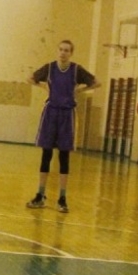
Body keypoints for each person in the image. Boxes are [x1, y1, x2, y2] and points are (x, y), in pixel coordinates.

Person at [26, 40, 100, 213]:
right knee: (46, 154)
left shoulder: (76, 70)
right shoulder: (50, 68)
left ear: (71, 53)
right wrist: (43, 87)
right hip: (50, 112)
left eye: (66, 50)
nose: (63, 53)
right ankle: (40, 194)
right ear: (57, 51)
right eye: (60, 49)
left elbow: (97, 82)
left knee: (64, 156)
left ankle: (62, 198)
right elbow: (29, 78)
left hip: (67, 114)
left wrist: (79, 91)